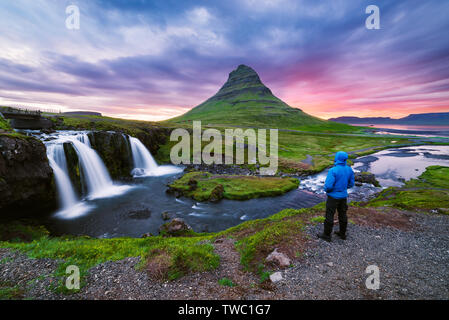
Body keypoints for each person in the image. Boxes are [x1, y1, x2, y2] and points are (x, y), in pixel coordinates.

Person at [317, 151, 355, 242]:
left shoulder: (333, 170)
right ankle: (342, 234)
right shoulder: (349, 169)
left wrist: (327, 190)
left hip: (333, 197)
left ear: (337, 158)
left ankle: (326, 235)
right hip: (343, 196)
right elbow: (351, 184)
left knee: (329, 215)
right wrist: (343, 188)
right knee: (343, 214)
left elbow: (328, 186)